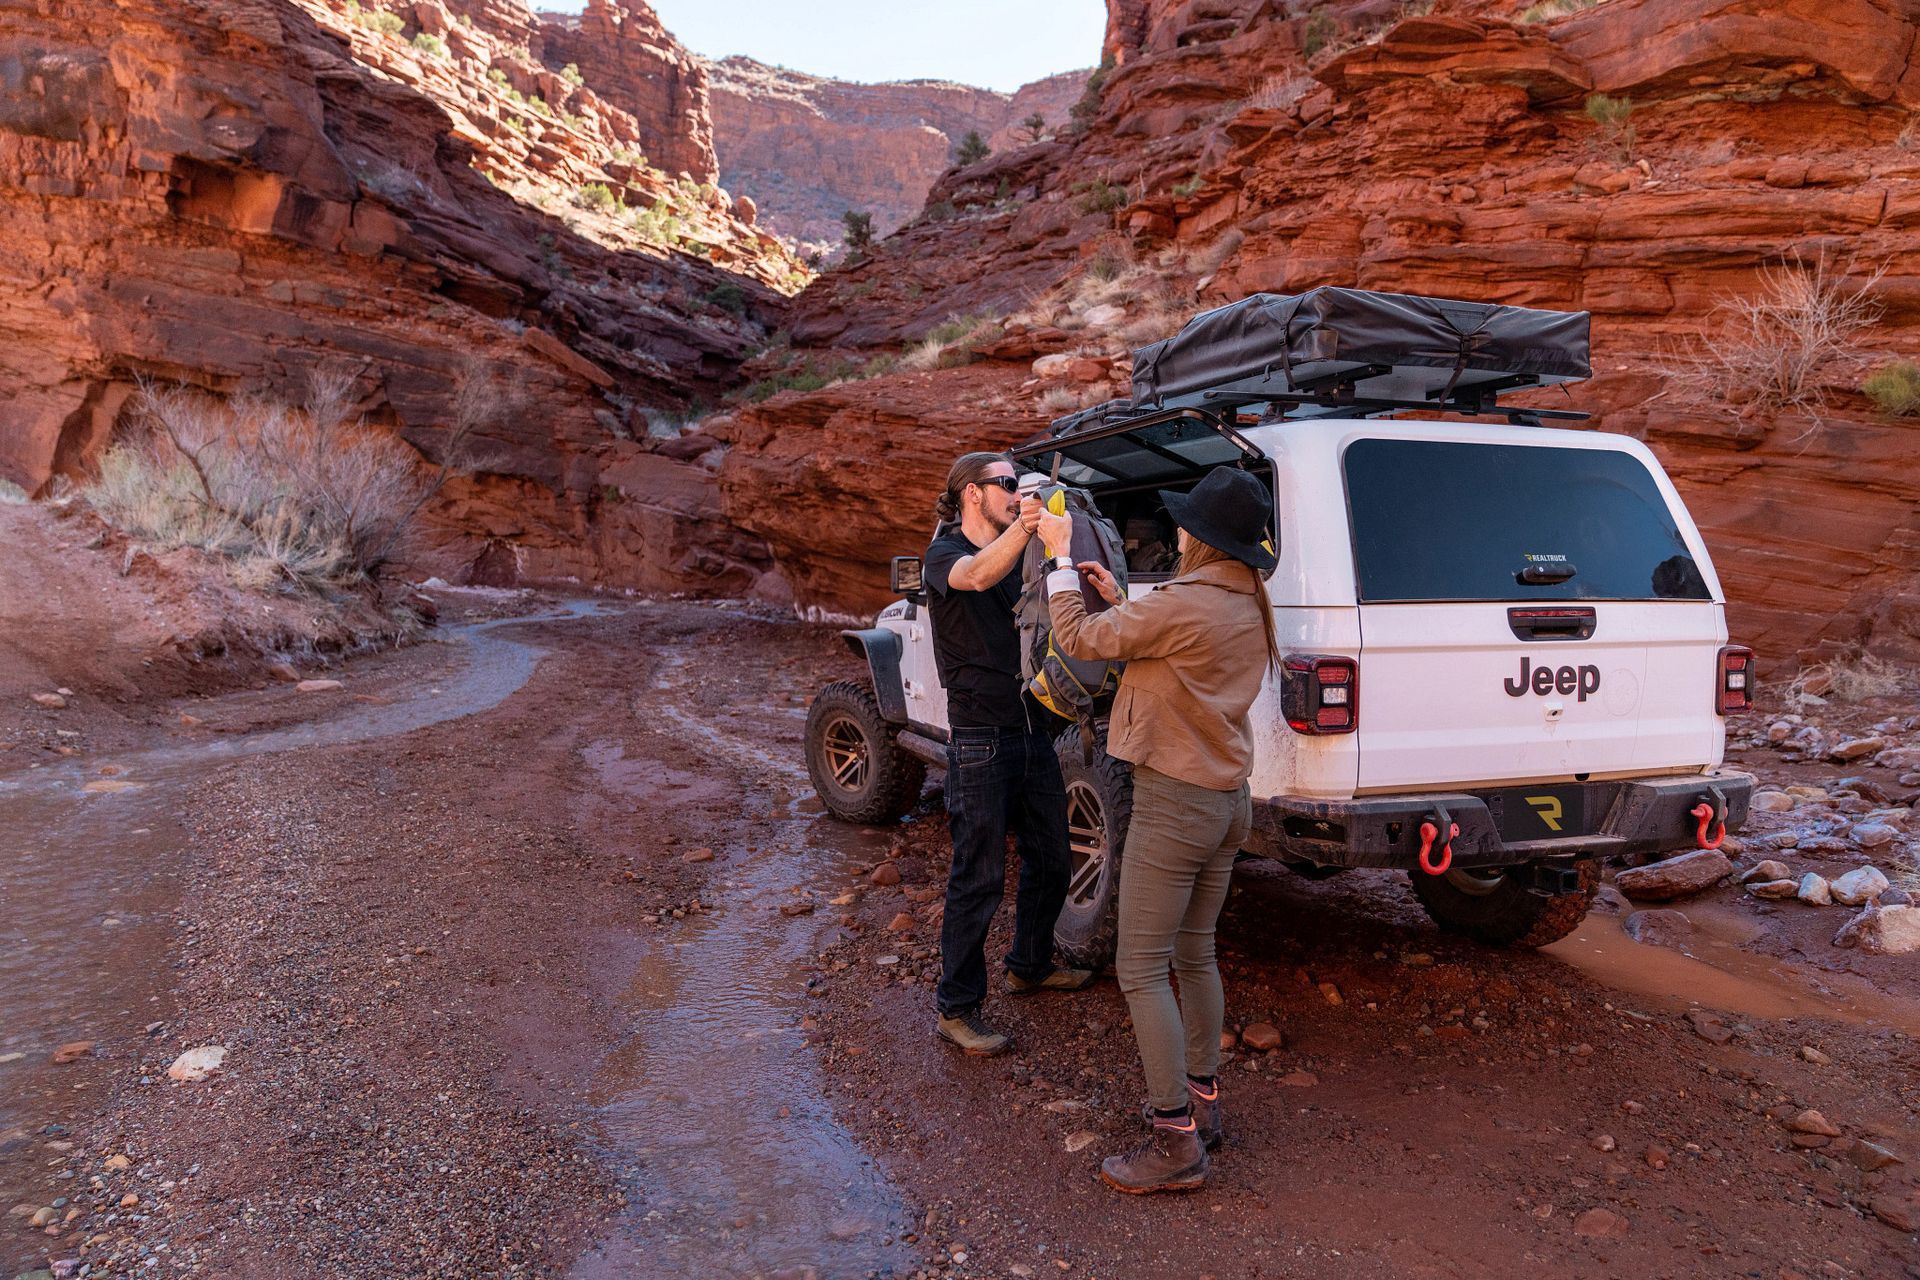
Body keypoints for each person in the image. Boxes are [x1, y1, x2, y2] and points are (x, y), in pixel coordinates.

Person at [1036, 466, 1279, 1194]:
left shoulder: (1186, 603)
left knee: (1141, 969)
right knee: (1195, 954)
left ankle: (1174, 1144)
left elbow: (1076, 636)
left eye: (1184, 523)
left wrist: (1055, 559)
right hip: (1227, 799)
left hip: (1175, 805)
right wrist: (1120, 599)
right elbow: (1169, 644)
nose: (1176, 530)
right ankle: (1202, 1108)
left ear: (1201, 538)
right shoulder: (1247, 599)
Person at [923, 451, 1096, 1058]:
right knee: (979, 877)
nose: (1016, 493)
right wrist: (1027, 527)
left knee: (1052, 858)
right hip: (978, 740)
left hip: (1032, 731)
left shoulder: (1019, 556)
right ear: (972, 493)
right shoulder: (943, 555)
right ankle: (957, 1007)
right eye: (1005, 485)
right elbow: (974, 576)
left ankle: (1030, 963)